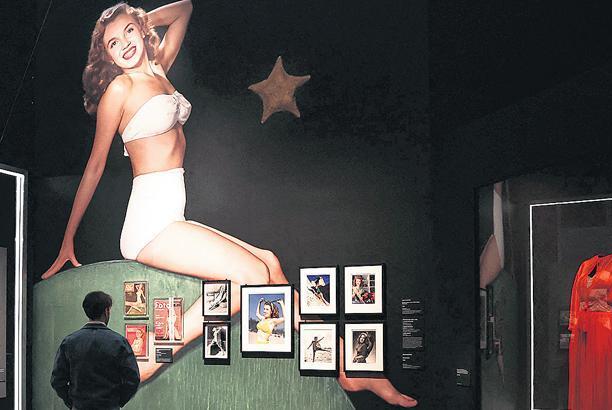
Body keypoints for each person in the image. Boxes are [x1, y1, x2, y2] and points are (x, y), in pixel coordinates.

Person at [41, 1, 416, 406]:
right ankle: (151, 357)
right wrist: (68, 240)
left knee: (270, 263)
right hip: (148, 225)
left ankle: (347, 366)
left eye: (129, 32)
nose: (124, 45)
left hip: (172, 215)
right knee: (251, 275)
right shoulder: (121, 89)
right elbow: (95, 166)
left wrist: (140, 21)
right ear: (107, 55)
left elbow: (184, 9)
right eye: (113, 43)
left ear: (141, 29)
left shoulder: (159, 69)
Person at [51, 291, 140, 409]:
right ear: (106, 311)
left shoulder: (69, 342)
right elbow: (132, 379)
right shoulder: (119, 342)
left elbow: (57, 380)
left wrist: (72, 402)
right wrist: (117, 402)